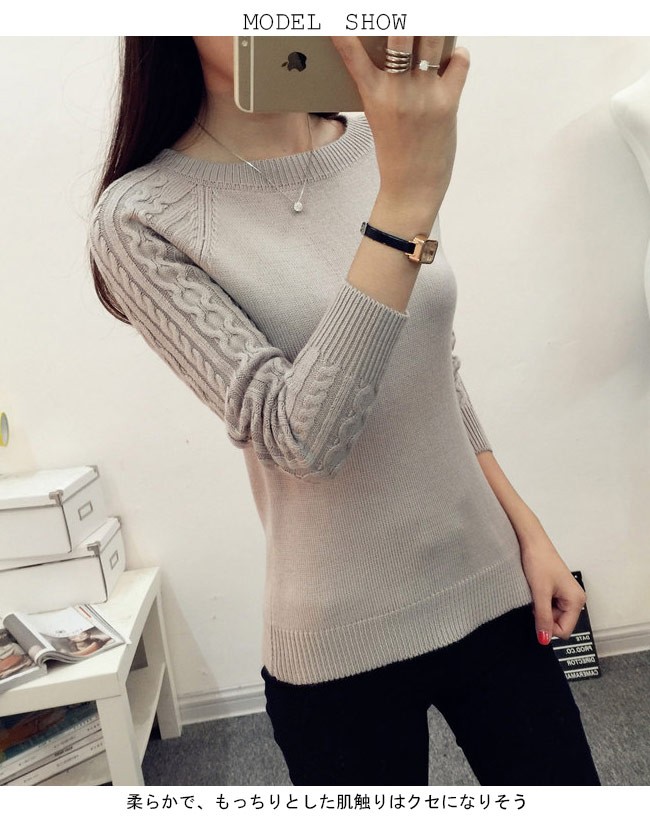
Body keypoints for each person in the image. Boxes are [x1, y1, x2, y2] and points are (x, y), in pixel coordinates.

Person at [88, 35, 601, 786]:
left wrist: (530, 531)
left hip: (491, 584)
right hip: (339, 642)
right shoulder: (139, 217)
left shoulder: (374, 146)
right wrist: (404, 201)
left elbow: (434, 369)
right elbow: (300, 440)